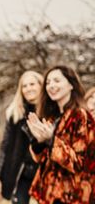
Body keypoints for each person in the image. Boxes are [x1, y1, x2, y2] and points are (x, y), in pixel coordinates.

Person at [27, 65, 95, 204]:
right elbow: (42, 160)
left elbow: (79, 163)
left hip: (72, 196)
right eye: (48, 82)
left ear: (71, 84)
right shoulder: (53, 117)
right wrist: (39, 143)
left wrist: (52, 140)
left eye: (57, 81)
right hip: (49, 195)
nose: (51, 85)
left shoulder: (80, 116)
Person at [0, 70, 43, 204]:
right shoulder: (15, 113)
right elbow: (5, 147)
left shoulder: (51, 112)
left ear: (41, 85)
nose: (28, 88)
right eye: (24, 86)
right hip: (22, 174)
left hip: (44, 174)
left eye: (32, 84)